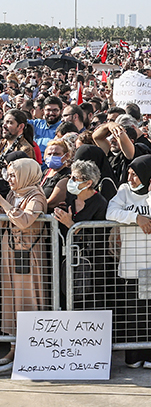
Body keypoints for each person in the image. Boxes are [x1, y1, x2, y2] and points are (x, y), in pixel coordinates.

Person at [106, 154, 151, 369]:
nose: (130, 177)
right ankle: (134, 355)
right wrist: (136, 218)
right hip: (131, 262)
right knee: (133, 311)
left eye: (135, 174)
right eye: (129, 173)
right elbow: (111, 212)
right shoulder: (124, 190)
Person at [0, 158, 48, 366]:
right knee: (12, 297)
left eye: (14, 175)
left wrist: (2, 202)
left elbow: (24, 220)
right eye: (8, 175)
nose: (10, 179)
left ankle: (31, 348)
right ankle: (13, 347)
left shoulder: (36, 195)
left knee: (28, 295)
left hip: (29, 256)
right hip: (10, 252)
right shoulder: (14, 193)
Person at [53, 160, 110, 311]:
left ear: (88, 182)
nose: (70, 181)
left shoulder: (100, 203)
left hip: (90, 265)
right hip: (67, 259)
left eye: (75, 178)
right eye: (70, 176)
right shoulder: (70, 197)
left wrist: (71, 224)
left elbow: (97, 237)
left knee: (86, 302)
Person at [40, 138, 72, 213]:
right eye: (49, 154)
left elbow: (52, 203)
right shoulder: (46, 172)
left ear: (66, 155)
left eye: (56, 154)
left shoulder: (67, 176)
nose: (52, 157)